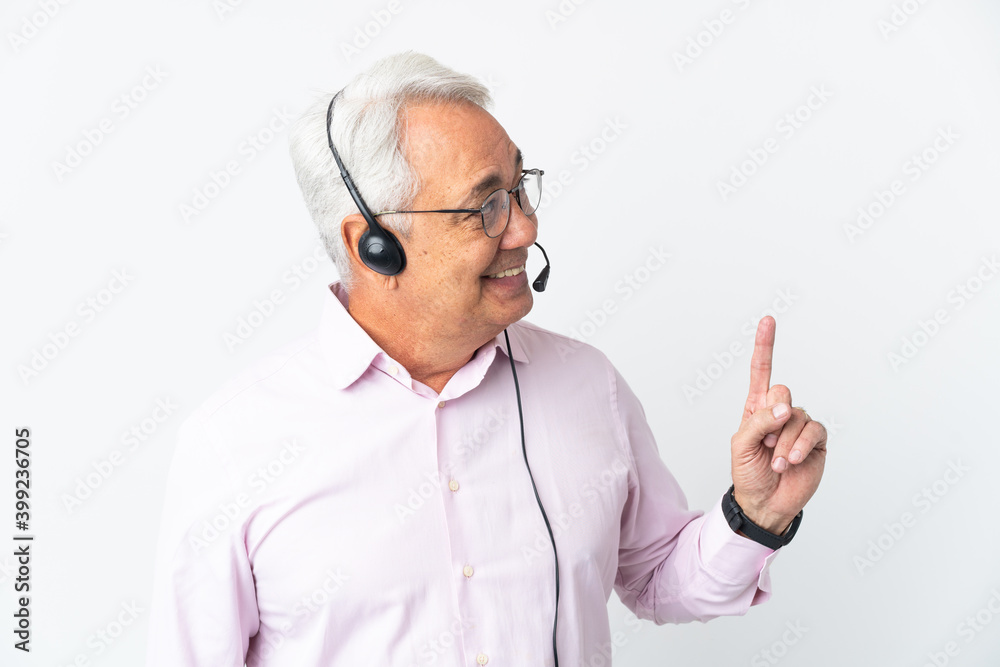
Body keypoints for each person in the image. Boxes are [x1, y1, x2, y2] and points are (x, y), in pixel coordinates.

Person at [145, 51, 827, 667]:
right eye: (487, 207)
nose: (525, 228)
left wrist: (753, 512)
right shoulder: (234, 443)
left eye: (520, 189)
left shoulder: (589, 387)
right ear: (374, 244)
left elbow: (656, 578)